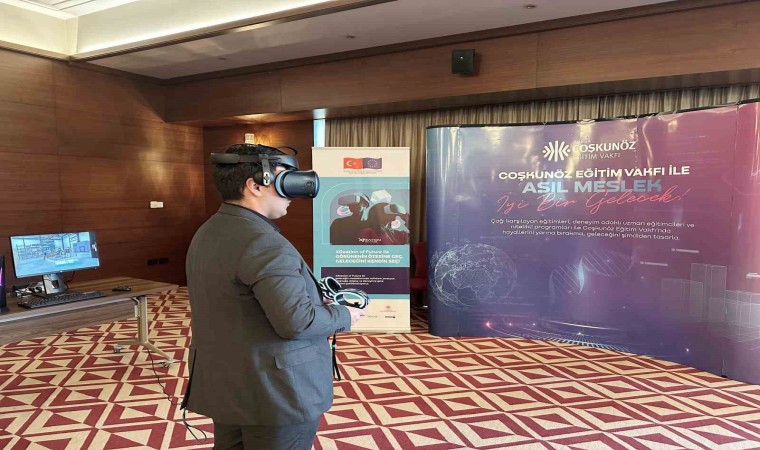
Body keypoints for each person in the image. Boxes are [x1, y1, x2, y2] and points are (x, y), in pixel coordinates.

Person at [183, 143, 365, 450]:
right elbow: (297, 323)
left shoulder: (210, 230)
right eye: (284, 182)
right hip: (276, 392)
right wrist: (345, 314)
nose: (291, 195)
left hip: (227, 382)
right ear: (254, 186)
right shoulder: (263, 242)